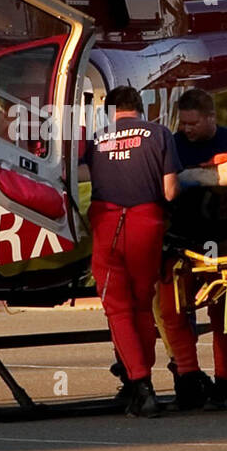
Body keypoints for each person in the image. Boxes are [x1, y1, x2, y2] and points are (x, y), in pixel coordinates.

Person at [84, 85, 182, 417]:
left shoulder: (97, 139)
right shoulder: (160, 134)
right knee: (142, 305)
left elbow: (82, 178)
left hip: (109, 224)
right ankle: (143, 379)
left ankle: (140, 384)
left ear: (110, 111)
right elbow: (170, 191)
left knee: (117, 308)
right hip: (147, 224)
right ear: (140, 108)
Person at [156, 88, 227, 410]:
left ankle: (223, 383)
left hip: (223, 238)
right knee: (172, 310)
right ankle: (188, 378)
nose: (187, 129)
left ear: (211, 118)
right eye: (183, 123)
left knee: (224, 312)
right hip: (183, 237)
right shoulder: (172, 144)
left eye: (193, 123)